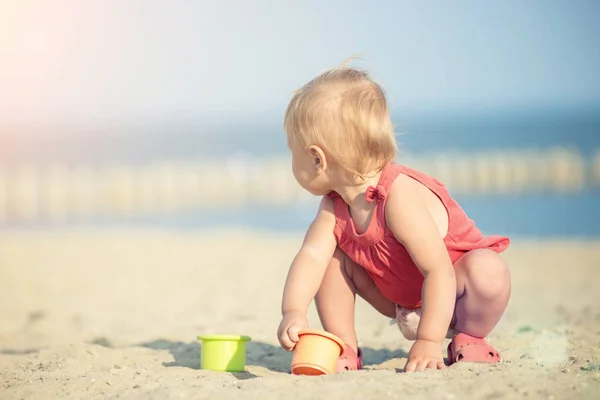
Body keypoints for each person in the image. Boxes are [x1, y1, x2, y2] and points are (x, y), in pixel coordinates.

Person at [276, 60, 511, 373]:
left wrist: (428, 341)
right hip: (399, 298)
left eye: (294, 152)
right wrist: (293, 310)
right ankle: (344, 344)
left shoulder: (398, 197)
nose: (292, 161)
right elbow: (311, 257)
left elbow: (439, 271)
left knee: (489, 269)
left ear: (317, 159)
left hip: (453, 296)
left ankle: (469, 337)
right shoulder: (333, 206)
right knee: (330, 260)